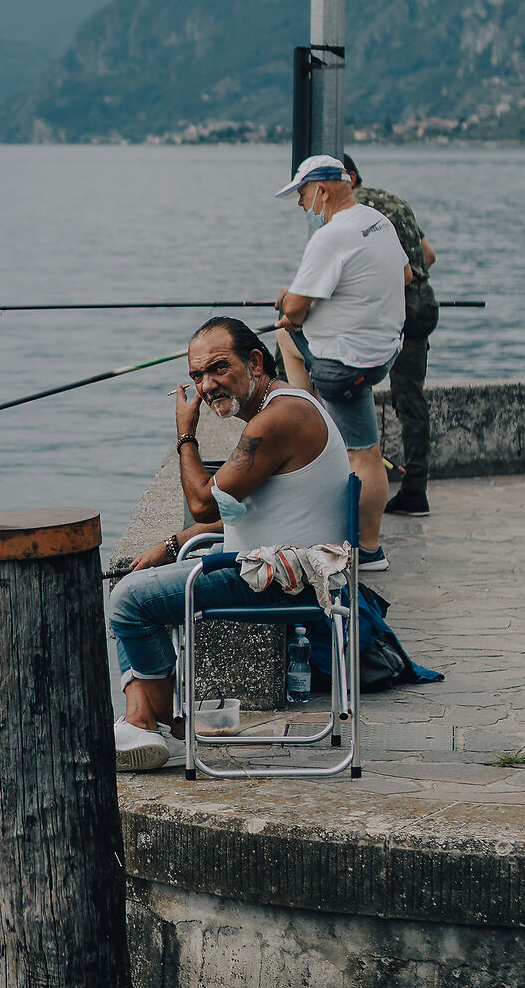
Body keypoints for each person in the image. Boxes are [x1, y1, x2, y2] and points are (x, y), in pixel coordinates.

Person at [110, 316, 353, 770]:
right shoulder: (282, 409)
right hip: (267, 562)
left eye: (218, 368)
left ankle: (161, 721)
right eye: (196, 376)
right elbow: (244, 514)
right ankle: (142, 719)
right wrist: (171, 542)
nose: (205, 385)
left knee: (127, 601)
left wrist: (186, 432)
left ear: (255, 361)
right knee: (135, 579)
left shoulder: (279, 418)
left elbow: (204, 503)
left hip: (281, 577)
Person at [270, 152, 408, 573]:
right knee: (288, 338)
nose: (300, 203)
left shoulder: (330, 237)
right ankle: (312, 418)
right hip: (384, 349)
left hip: (345, 363)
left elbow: (294, 311)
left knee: (364, 454)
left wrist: (287, 297)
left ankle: (368, 550)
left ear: (323, 190)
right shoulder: (376, 220)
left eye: (302, 193)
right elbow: (402, 276)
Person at [342, 150, 437, 517]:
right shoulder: (394, 201)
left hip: (395, 310)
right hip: (422, 304)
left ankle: (367, 484)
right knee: (411, 398)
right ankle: (415, 487)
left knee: (350, 388)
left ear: (347, 178)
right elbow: (427, 256)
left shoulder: (357, 212)